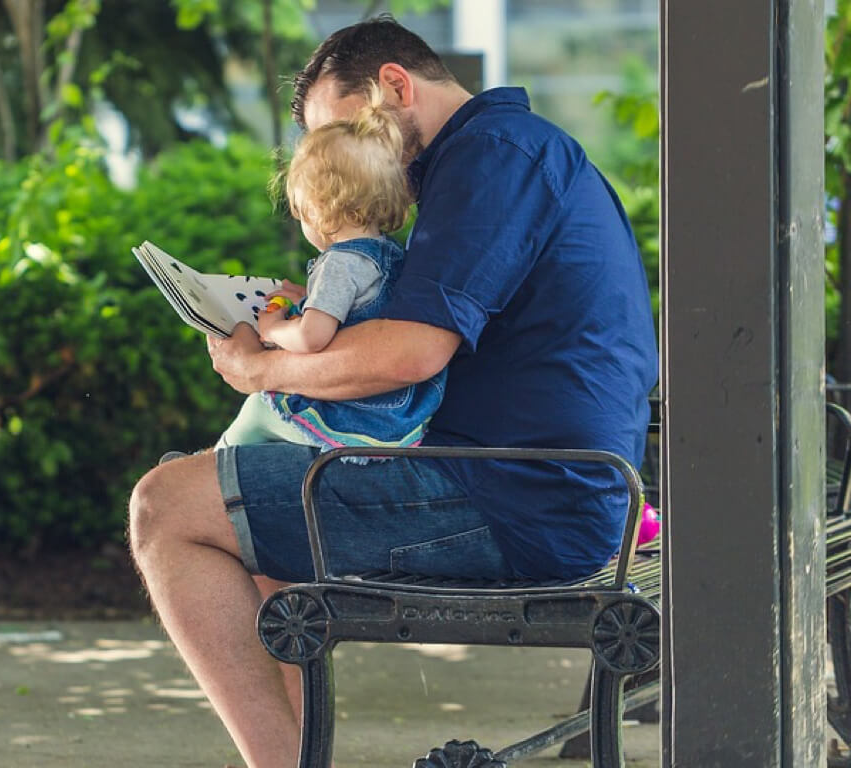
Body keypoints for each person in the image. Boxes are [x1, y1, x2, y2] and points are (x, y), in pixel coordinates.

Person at [128, 16, 658, 768]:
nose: (336, 162)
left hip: (520, 498)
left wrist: (259, 370)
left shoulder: (491, 155)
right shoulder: (504, 155)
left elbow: (409, 354)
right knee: (254, 511)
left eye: (341, 134)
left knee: (166, 506)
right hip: (545, 485)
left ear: (395, 86)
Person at [217, 87, 445, 452]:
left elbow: (312, 338)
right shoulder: (388, 255)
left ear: (317, 207)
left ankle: (213, 461)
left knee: (259, 409)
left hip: (359, 418)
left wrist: (275, 329)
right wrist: (309, 298)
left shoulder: (339, 264)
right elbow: (355, 312)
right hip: (400, 415)